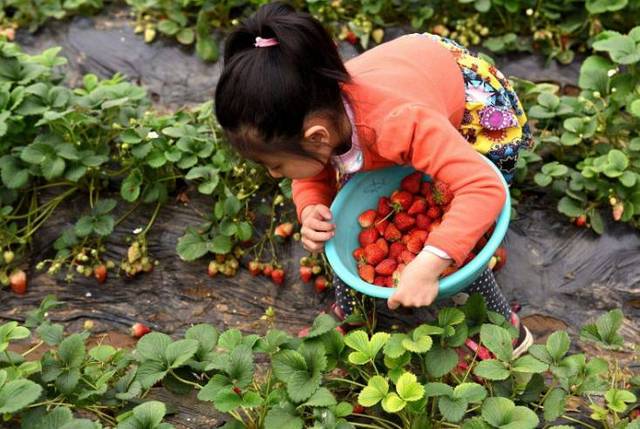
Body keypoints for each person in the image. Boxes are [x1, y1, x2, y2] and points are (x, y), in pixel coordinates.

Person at [215, 2, 533, 356]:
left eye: (274, 166)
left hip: (463, 100)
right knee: (345, 224)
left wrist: (431, 260)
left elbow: (482, 188)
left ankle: (504, 331)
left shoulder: (397, 123)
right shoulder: (313, 109)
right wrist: (311, 207)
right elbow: (313, 170)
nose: (274, 174)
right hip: (405, 86)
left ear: (317, 137)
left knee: (466, 225)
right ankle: (355, 311)